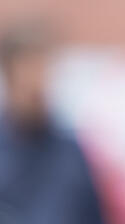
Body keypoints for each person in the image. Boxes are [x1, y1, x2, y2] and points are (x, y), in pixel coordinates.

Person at [0, 18, 107, 224]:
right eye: (29, 71)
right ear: (10, 74)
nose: (38, 84)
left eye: (44, 70)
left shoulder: (71, 153)